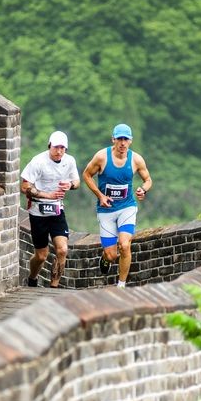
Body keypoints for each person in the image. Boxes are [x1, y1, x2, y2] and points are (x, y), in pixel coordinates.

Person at [82, 123, 152, 288]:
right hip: (106, 210)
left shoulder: (136, 159)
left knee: (125, 245)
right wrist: (100, 196)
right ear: (113, 139)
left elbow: (148, 180)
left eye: (125, 139)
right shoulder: (102, 157)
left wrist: (143, 189)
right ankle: (105, 257)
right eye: (119, 139)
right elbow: (86, 175)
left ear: (130, 141)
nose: (122, 143)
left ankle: (121, 285)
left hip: (127, 207)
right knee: (111, 255)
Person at [20, 131, 80, 288]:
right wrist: (47, 195)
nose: (59, 151)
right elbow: (24, 187)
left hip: (57, 211)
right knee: (41, 255)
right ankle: (32, 279)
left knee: (62, 250)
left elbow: (77, 181)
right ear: (49, 146)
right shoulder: (38, 161)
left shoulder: (69, 161)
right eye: (56, 147)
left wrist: (70, 185)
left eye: (62, 148)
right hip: (38, 211)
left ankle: (54, 286)